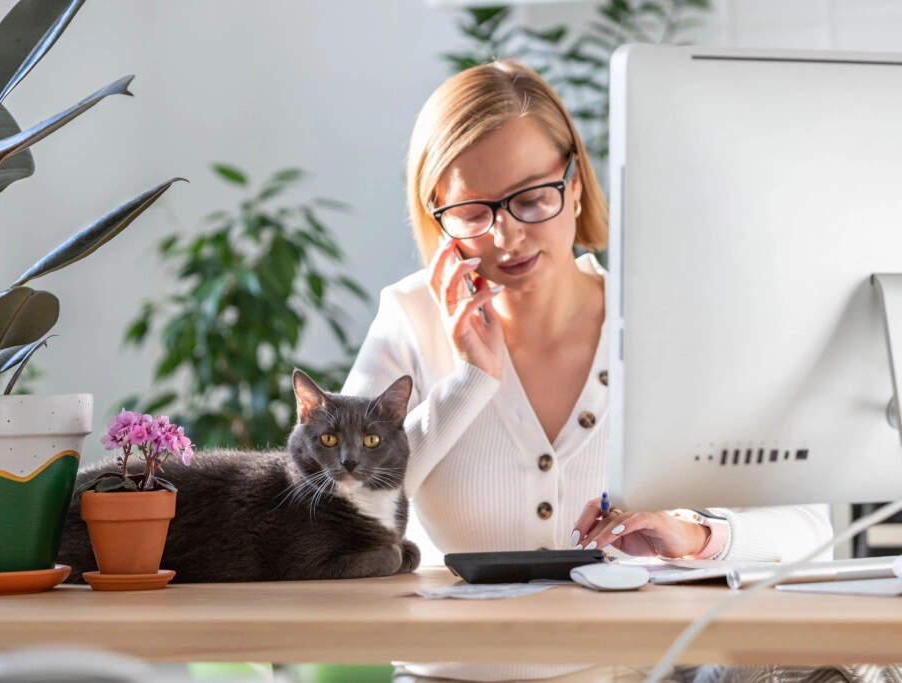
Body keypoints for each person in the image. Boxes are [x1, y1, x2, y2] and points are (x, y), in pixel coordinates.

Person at [341, 60, 833, 683]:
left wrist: (697, 536)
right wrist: (470, 381)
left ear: (574, 184)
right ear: (436, 212)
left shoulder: (664, 322)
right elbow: (331, 518)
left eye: (532, 199)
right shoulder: (410, 317)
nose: (507, 237)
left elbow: (811, 531)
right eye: (472, 212)